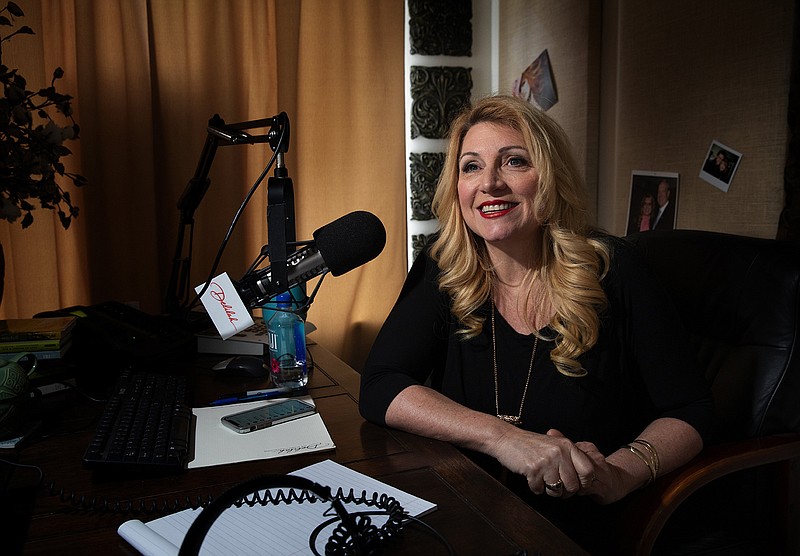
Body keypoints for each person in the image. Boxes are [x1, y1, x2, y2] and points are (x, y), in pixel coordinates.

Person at [359, 95, 712, 554]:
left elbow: (691, 409)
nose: (490, 183)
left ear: (549, 179)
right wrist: (503, 438)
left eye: (514, 162)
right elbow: (381, 384)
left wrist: (621, 473)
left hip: (578, 529)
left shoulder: (618, 272)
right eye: (471, 167)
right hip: (469, 513)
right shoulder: (443, 269)